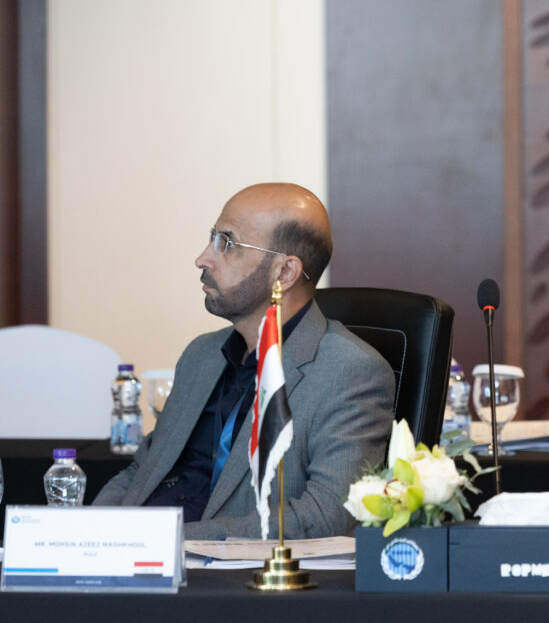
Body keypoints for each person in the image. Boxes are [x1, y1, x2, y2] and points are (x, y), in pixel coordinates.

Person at [94, 183, 394, 540]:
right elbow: (142, 472)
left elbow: (328, 515)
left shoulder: (349, 370)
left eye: (227, 243)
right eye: (212, 238)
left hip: (216, 566)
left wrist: (169, 541)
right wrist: (86, 533)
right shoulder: (201, 355)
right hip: (132, 556)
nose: (203, 258)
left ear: (284, 272)